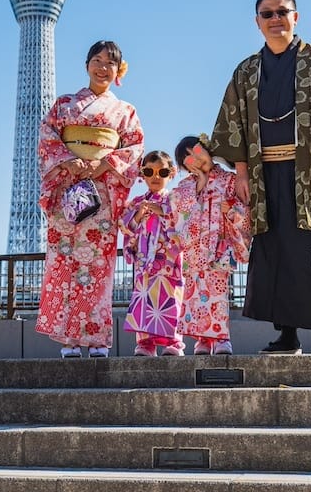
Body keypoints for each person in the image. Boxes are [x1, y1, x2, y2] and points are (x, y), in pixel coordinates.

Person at [210, 0, 311, 355]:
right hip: (263, 174)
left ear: (296, 16)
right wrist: (241, 173)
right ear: (257, 22)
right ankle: (286, 334)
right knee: (273, 248)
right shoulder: (246, 71)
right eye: (267, 14)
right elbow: (234, 123)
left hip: (310, 171)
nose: (275, 19)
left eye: (282, 12)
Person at [35, 40, 144, 358]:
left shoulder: (125, 112)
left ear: (118, 71)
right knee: (66, 264)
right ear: (86, 65)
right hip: (69, 190)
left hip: (102, 195)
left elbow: (134, 147)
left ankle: (96, 339)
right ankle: (69, 340)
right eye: (96, 60)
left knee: (99, 270)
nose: (102, 67)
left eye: (110, 63)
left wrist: (104, 164)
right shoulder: (64, 104)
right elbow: (47, 136)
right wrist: (68, 161)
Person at [170, 135, 251, 356]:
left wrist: (232, 210)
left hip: (219, 247)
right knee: (195, 296)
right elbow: (178, 216)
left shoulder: (229, 180)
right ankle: (202, 341)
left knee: (217, 295)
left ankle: (222, 338)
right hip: (195, 251)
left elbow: (247, 213)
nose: (196, 161)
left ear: (206, 148)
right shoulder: (184, 188)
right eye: (188, 161)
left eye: (196, 152)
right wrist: (200, 187)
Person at [120, 150, 186, 357]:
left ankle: (174, 342)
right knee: (144, 298)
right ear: (142, 174)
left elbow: (184, 224)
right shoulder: (136, 202)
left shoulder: (176, 200)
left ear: (172, 173)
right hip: (144, 259)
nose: (156, 177)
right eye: (149, 171)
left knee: (171, 299)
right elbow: (125, 227)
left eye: (162, 172)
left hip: (168, 259)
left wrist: (161, 210)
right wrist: (140, 214)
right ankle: (145, 343)